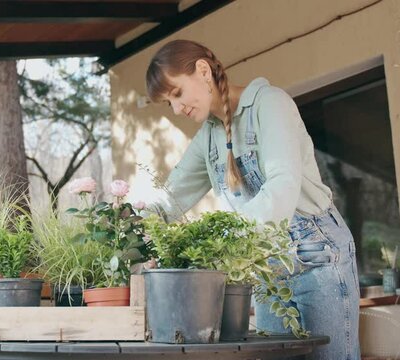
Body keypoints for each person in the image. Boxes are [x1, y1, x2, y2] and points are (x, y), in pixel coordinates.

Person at [144, 39, 360, 360]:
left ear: (202, 70)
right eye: (168, 104)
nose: (177, 109)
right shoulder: (209, 137)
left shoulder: (270, 104)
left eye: (176, 94)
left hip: (319, 260)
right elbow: (170, 198)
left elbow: (282, 187)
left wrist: (224, 242)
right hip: (268, 273)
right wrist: (131, 224)